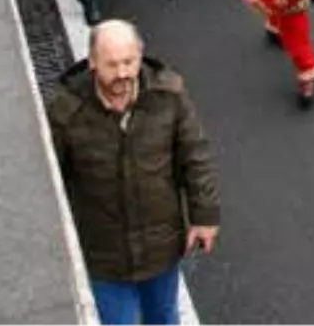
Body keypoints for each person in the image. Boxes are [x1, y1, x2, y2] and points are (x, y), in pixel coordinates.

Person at [47, 20, 220, 326]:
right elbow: (50, 180)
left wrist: (204, 215)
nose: (123, 73)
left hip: (160, 246)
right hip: (104, 254)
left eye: (129, 62)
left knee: (163, 318)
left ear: (140, 56)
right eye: (111, 65)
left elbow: (194, 155)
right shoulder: (66, 111)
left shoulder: (169, 95)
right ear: (92, 63)